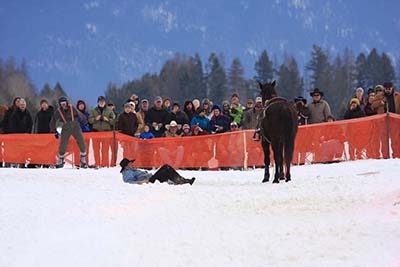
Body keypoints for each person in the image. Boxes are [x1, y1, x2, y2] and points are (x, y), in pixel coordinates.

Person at [51, 96, 88, 168]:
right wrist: (54, 131)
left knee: (81, 142)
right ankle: (60, 160)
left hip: (75, 126)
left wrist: (85, 122)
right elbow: (53, 120)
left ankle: (83, 160)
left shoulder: (72, 107)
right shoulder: (58, 111)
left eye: (64, 103)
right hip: (65, 128)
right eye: (62, 103)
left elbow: (79, 114)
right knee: (63, 144)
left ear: (67, 102)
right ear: (60, 104)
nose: (63, 105)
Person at [120, 158, 195, 185]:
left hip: (151, 178)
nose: (132, 164)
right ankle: (181, 181)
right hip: (150, 180)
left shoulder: (133, 170)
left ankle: (181, 180)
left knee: (166, 168)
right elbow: (129, 182)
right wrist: (142, 182)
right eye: (130, 163)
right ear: (126, 166)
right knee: (166, 167)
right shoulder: (127, 172)